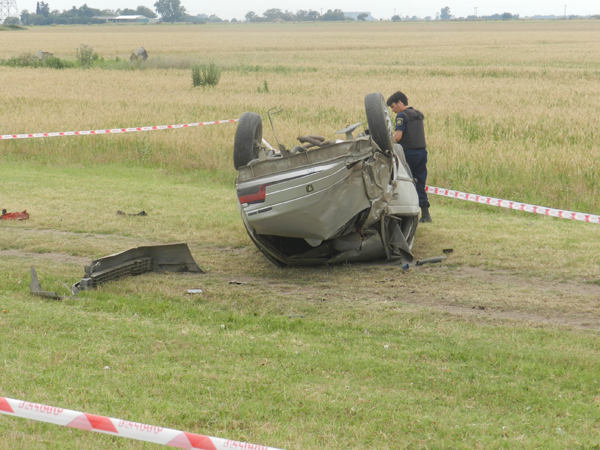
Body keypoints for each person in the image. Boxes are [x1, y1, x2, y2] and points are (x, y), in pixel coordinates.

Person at [386, 91, 431, 223]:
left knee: (403, 184)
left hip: (409, 154)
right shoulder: (418, 114)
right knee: (420, 183)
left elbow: (398, 137)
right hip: (422, 153)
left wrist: (388, 141)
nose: (393, 110)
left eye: (393, 106)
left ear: (400, 103)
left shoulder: (402, 115)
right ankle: (425, 214)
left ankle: (403, 216)